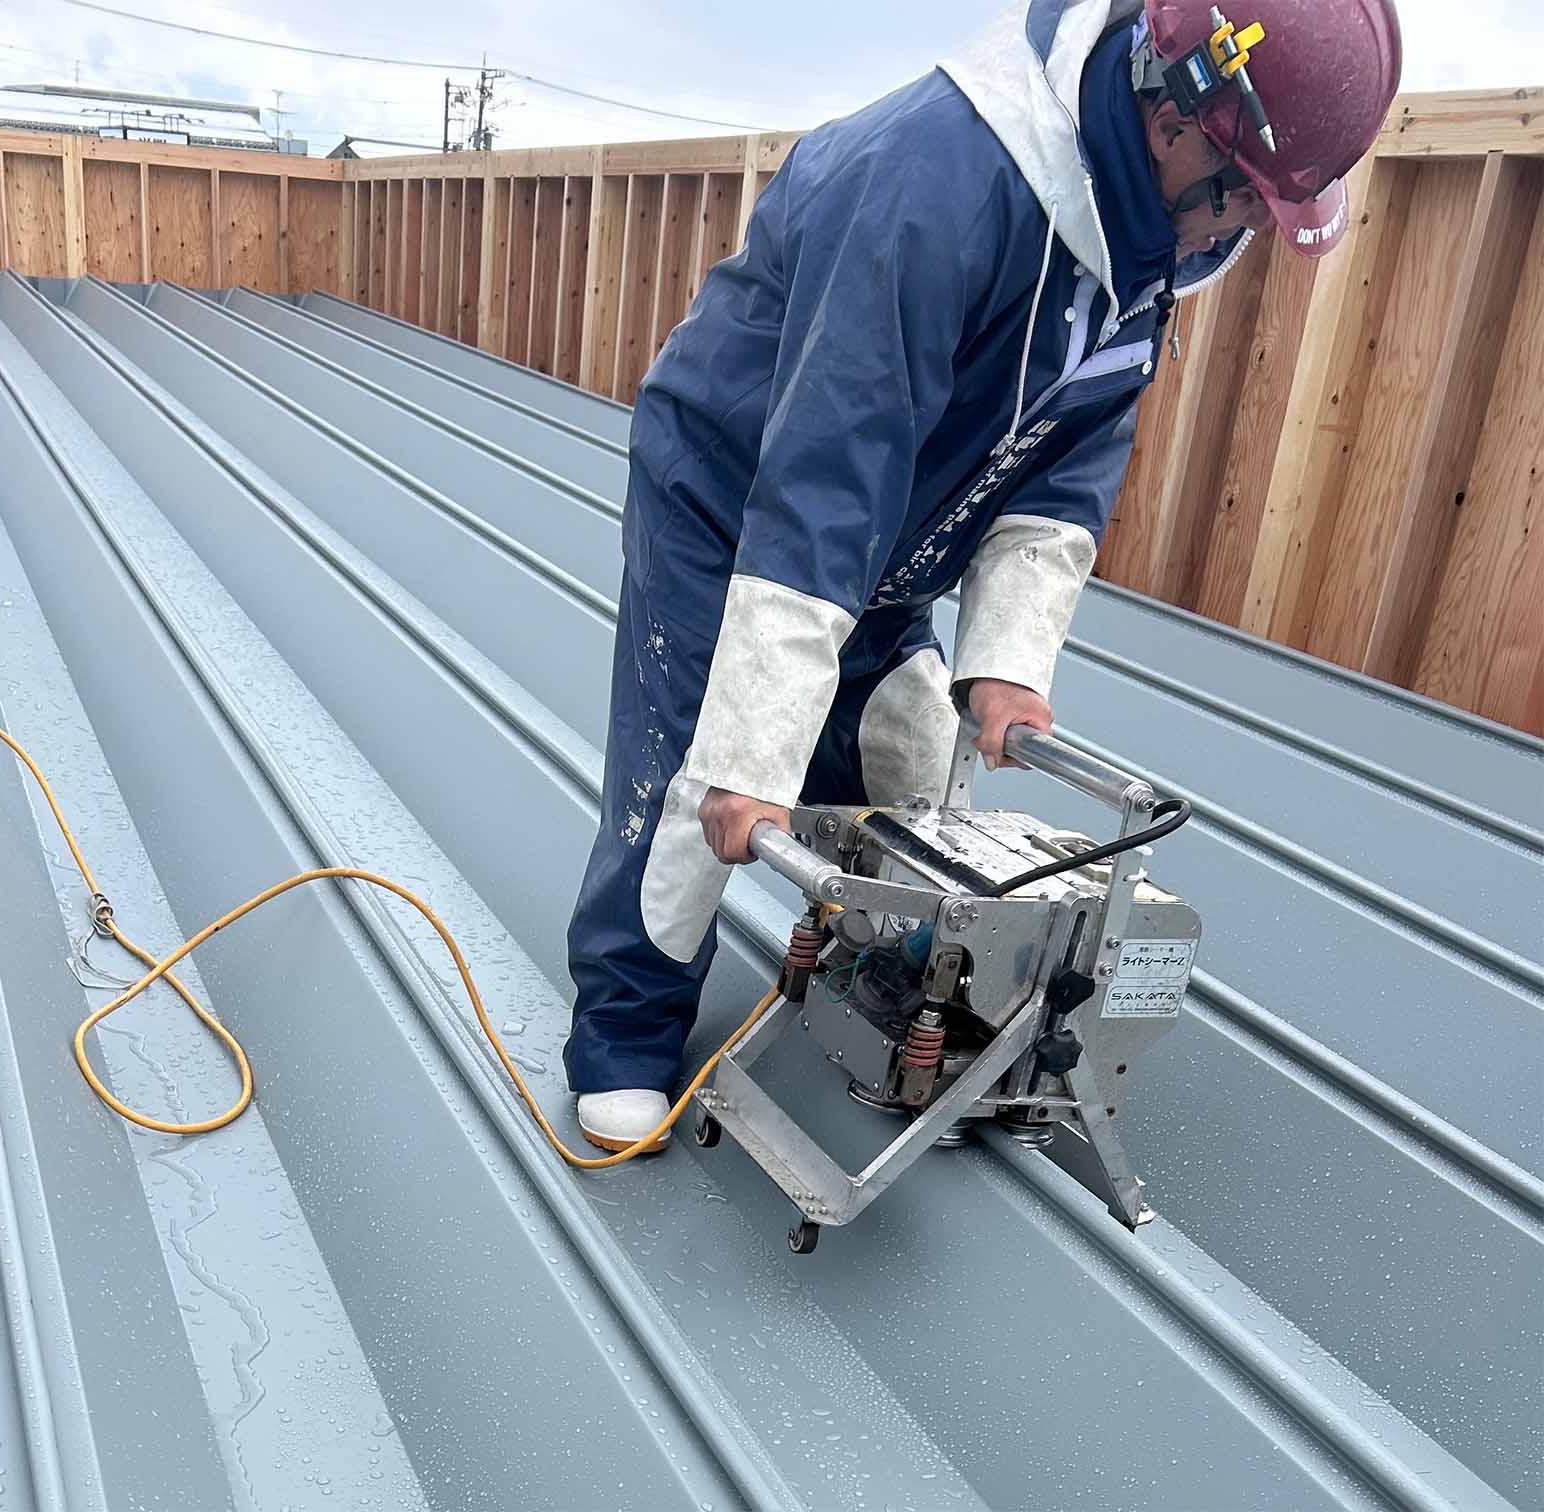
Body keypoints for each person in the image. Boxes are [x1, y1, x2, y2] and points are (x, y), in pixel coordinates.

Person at [564, 0, 1403, 1152]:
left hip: (905, 529)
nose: (1250, 224)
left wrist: (1006, 660)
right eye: (1246, 196)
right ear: (1174, 123)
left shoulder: (1147, 236)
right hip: (739, 500)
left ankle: (898, 1009)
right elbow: (824, 483)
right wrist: (752, 762)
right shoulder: (935, 185)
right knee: (696, 784)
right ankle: (626, 1033)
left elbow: (1069, 465)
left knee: (910, 761)